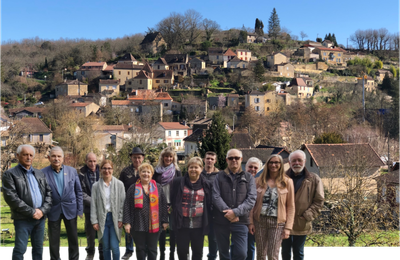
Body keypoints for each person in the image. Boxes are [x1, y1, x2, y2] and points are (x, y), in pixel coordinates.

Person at [2, 144, 52, 260]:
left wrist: (42, 211)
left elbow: (49, 195)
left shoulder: (40, 174)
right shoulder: (10, 174)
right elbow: (11, 198)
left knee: (38, 250)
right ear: (18, 156)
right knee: (20, 250)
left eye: (31, 155)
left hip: (40, 219)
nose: (28, 157)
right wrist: (32, 212)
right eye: (25, 155)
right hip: (23, 219)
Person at [212, 149, 256, 260]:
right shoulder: (219, 176)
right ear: (227, 160)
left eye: (236, 158)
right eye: (231, 158)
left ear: (241, 159)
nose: (234, 160)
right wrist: (228, 212)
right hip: (221, 220)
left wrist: (235, 212)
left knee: (242, 254)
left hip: (240, 220)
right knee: (223, 253)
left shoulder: (248, 177)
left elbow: (251, 199)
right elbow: (215, 196)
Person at [248, 154, 295, 260]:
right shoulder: (258, 181)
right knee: (260, 254)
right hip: (259, 221)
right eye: (271, 162)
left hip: (277, 223)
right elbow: (252, 204)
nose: (273, 165)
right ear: (267, 164)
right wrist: (250, 222)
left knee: (272, 255)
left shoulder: (287, 182)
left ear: (281, 165)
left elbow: (291, 206)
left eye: (276, 162)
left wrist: (288, 227)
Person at [281, 150, 324, 260]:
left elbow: (319, 200)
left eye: (299, 160)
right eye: (293, 160)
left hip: (302, 222)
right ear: (289, 162)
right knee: (285, 251)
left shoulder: (314, 179)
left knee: (298, 252)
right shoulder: (282, 178)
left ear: (304, 161)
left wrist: (307, 215)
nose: (297, 163)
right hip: (284, 221)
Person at [42, 146, 83, 260]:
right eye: (54, 156)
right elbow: (42, 194)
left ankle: (74, 258)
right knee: (53, 239)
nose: (56, 159)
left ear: (63, 158)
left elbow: (78, 191)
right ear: (49, 158)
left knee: (73, 238)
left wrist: (80, 210)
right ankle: (55, 258)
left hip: (70, 209)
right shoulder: (42, 173)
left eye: (59, 156)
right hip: (52, 210)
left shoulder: (72, 171)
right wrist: (43, 211)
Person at [123, 163, 169, 260]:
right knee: (140, 249)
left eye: (148, 172)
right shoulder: (133, 188)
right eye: (143, 171)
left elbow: (163, 205)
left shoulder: (158, 187)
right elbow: (127, 205)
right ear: (139, 173)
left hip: (155, 224)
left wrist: (165, 220)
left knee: (152, 249)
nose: (146, 174)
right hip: (138, 224)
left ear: (152, 174)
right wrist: (127, 223)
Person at [171, 157, 212, 260]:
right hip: (182, 224)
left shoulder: (206, 184)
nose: (193, 169)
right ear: (187, 168)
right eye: (191, 167)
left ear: (201, 169)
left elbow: (208, 203)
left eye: (196, 167)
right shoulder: (178, 182)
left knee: (197, 252)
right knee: (182, 251)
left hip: (199, 225)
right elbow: (173, 199)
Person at [91, 160, 126, 260]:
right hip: (102, 220)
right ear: (101, 170)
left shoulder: (120, 184)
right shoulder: (96, 186)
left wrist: (121, 218)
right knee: (105, 247)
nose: (107, 170)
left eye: (109, 168)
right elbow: (94, 204)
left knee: (114, 247)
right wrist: (94, 221)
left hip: (114, 219)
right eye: (104, 168)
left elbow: (123, 203)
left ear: (113, 169)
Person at [153, 147, 182, 260]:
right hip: (160, 204)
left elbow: (180, 189)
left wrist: (175, 205)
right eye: (166, 156)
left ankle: (171, 255)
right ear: (162, 157)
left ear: (173, 158)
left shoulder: (177, 171)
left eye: (171, 156)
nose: (168, 158)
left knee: (173, 230)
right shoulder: (157, 171)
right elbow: (154, 188)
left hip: (173, 204)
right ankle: (162, 255)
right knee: (161, 231)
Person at [120, 147, 145, 260]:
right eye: (134, 157)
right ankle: (129, 250)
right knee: (128, 229)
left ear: (143, 158)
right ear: (131, 157)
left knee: (142, 228)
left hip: (144, 206)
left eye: (139, 157)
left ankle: (142, 249)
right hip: (129, 205)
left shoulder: (146, 171)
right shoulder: (125, 172)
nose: (137, 160)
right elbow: (120, 188)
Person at [79, 152, 103, 260]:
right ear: (86, 161)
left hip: (103, 208)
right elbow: (80, 193)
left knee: (103, 231)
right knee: (90, 232)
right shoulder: (81, 174)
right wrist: (94, 202)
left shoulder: (103, 171)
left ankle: (102, 252)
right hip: (89, 208)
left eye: (94, 161)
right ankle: (90, 253)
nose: (92, 163)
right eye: (90, 161)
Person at [242, 157, 263, 260]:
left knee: (251, 246)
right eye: (250, 166)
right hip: (239, 219)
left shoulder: (263, 184)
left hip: (255, 220)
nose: (252, 169)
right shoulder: (240, 180)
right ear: (245, 167)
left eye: (256, 167)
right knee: (237, 246)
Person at [201, 151, 219, 260]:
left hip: (214, 211)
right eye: (208, 158)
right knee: (198, 237)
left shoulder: (220, 175)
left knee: (213, 238)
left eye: (212, 159)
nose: (209, 161)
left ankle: (212, 257)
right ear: (204, 160)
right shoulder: (198, 173)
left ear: (215, 161)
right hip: (199, 211)